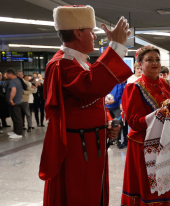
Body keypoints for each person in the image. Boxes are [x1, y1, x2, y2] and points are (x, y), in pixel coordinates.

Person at [39, 5, 133, 206]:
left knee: (92, 191)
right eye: (91, 32)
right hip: (77, 146)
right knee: (79, 194)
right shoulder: (61, 64)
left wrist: (107, 121)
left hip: (91, 141)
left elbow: (91, 100)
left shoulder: (81, 62)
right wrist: (115, 45)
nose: (95, 37)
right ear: (78, 32)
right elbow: (89, 86)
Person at [121, 45, 170, 205]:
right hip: (147, 145)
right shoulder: (133, 88)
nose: (154, 63)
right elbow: (134, 122)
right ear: (139, 65)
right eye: (149, 60)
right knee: (151, 187)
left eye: (157, 59)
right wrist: (157, 115)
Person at [105, 82, 127, 148]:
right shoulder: (105, 81)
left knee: (118, 123)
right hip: (106, 106)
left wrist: (114, 100)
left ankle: (118, 140)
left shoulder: (118, 83)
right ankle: (110, 139)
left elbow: (120, 93)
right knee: (108, 123)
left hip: (116, 106)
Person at [5, 69, 24, 138]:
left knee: (17, 118)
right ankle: (16, 131)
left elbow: (13, 90)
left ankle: (18, 133)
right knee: (15, 117)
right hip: (18, 101)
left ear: (10, 74)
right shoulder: (18, 80)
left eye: (7, 74)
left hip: (14, 102)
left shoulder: (13, 81)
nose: (6, 76)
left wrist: (10, 100)